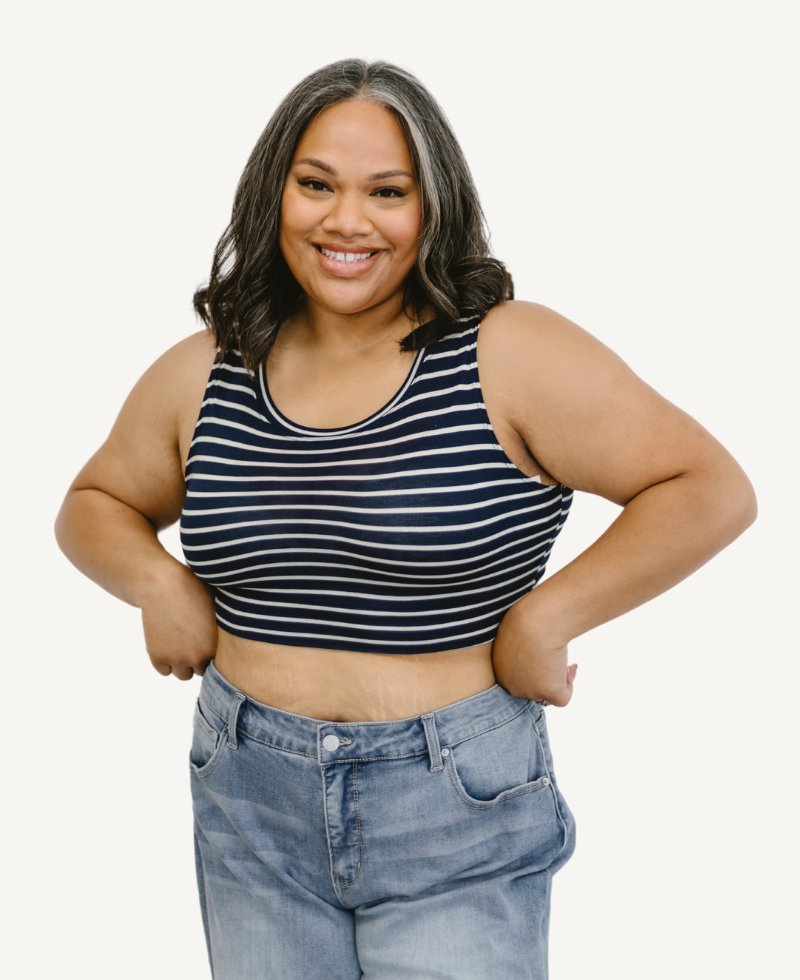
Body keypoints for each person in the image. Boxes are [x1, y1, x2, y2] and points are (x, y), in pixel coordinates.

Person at [54, 59, 756, 980]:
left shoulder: (508, 353)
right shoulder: (208, 370)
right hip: (248, 794)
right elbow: (92, 503)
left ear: (434, 209)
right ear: (276, 194)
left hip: (452, 797)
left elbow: (708, 485)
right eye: (316, 186)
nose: (348, 221)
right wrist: (156, 578)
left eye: (388, 192)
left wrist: (547, 616)